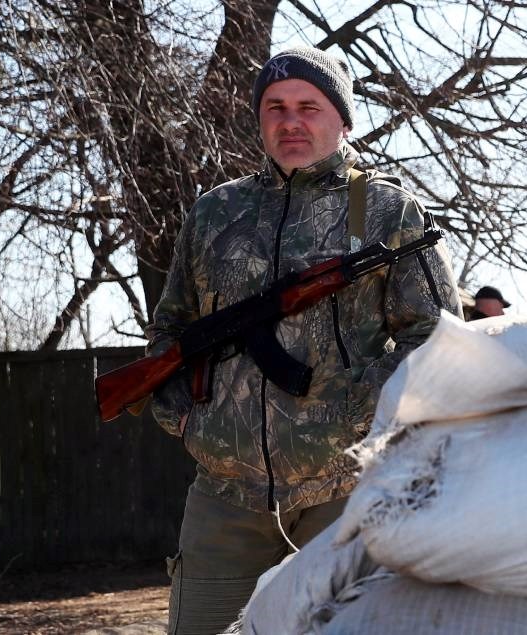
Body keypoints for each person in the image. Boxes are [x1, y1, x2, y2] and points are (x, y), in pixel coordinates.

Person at [145, 45, 461, 634]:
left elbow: (439, 338)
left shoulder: (381, 209)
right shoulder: (216, 213)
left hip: (345, 492)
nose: (291, 121)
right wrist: (186, 419)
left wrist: (351, 407)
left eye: (310, 106)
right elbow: (170, 330)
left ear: (343, 119)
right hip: (224, 497)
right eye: (276, 106)